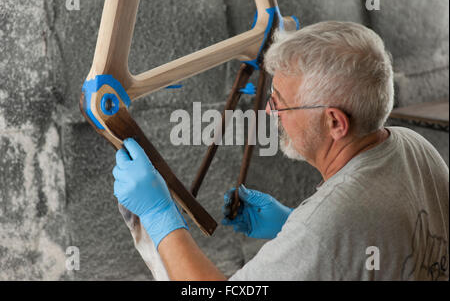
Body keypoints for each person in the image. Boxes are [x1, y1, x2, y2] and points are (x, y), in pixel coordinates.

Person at [112, 21, 449, 280]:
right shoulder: (413, 147)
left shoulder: (322, 228)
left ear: (335, 122)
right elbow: (369, 238)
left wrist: (159, 217)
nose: (270, 113)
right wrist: (289, 224)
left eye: (280, 103)